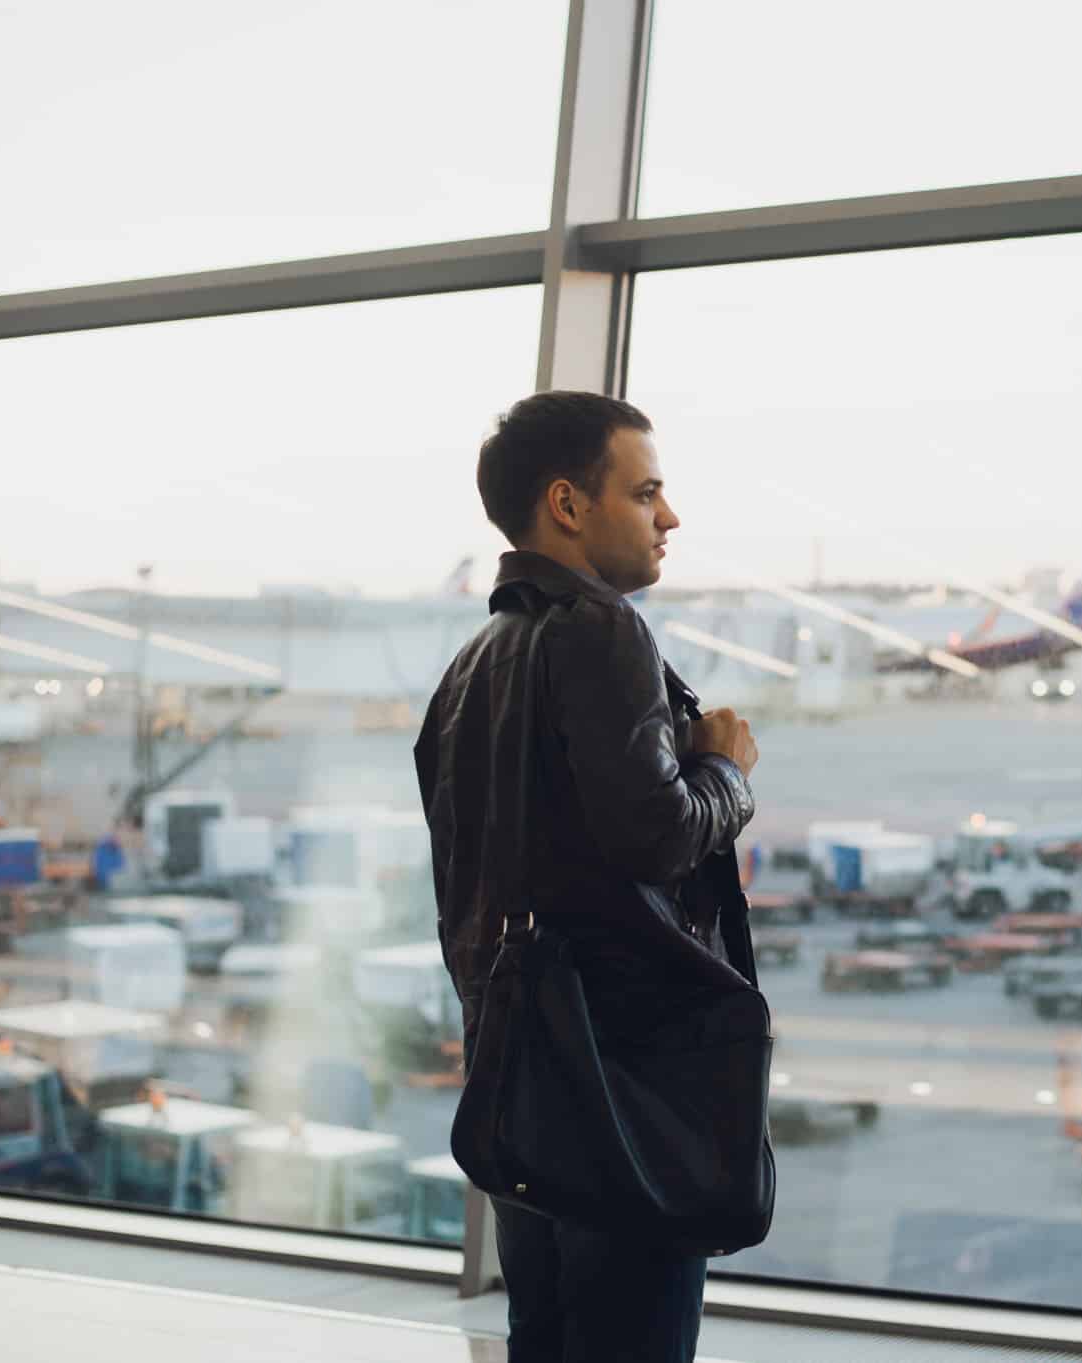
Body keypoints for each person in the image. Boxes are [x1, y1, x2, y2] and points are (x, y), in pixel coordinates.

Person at [413, 391, 760, 1361]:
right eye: (645, 491)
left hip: (523, 1074)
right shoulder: (602, 631)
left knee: (548, 1338)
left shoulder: (474, 662)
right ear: (568, 504)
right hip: (622, 1083)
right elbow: (656, 838)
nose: (669, 516)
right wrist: (724, 768)